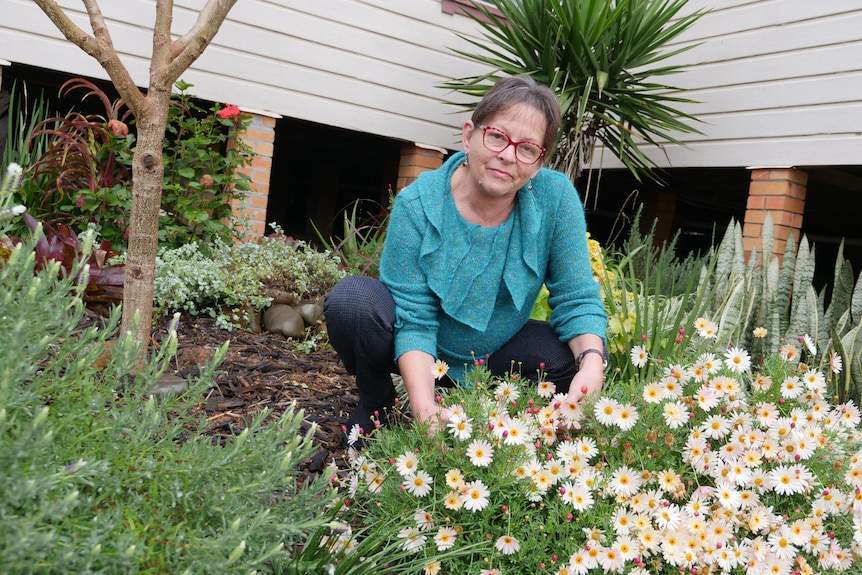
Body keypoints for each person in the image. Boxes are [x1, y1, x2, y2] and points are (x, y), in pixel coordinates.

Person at [324, 75, 607, 439]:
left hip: (497, 347)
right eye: (497, 136)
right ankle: (378, 400)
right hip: (416, 348)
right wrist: (424, 409)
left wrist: (591, 366)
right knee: (353, 304)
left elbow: (576, 295)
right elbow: (415, 320)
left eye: (527, 148)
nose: (507, 155)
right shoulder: (418, 204)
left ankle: (505, 420)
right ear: (469, 134)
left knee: (569, 357)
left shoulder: (555, 198)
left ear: (538, 163)